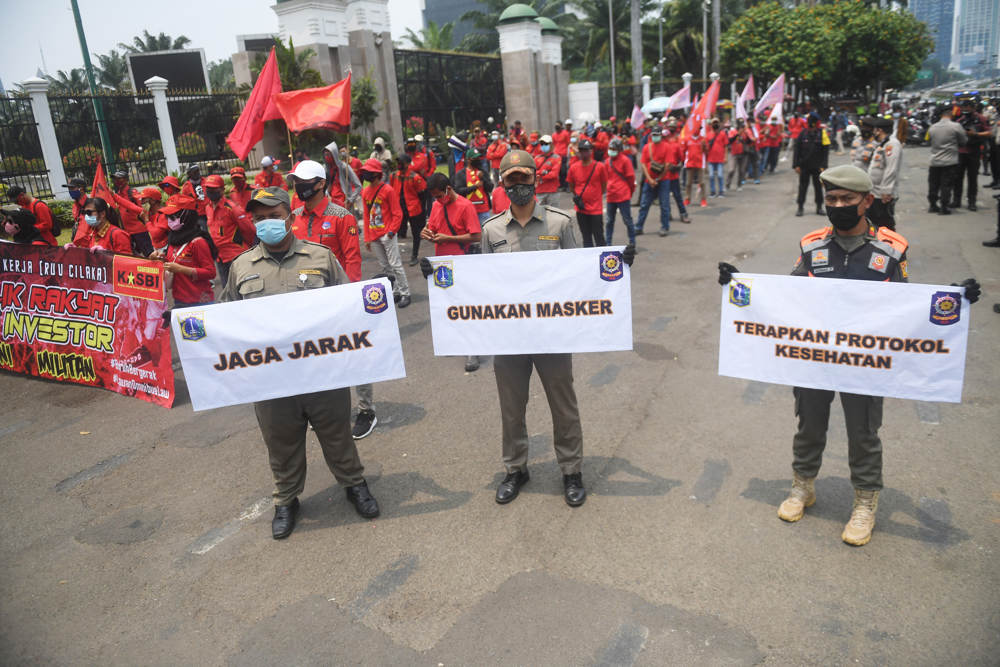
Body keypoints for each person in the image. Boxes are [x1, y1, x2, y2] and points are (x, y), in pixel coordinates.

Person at [718, 165, 981, 546]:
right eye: (832, 199)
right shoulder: (812, 246)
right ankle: (802, 486)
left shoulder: (891, 248)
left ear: (867, 201)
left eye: (847, 199)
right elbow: (787, 297)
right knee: (809, 425)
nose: (838, 205)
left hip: (865, 364)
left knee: (863, 433)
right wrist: (739, 285)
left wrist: (955, 301)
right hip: (815, 359)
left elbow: (908, 306)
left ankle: (865, 502)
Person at [441, 149, 633, 507]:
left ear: (535, 179)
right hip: (509, 339)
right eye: (511, 180)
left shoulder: (560, 224)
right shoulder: (491, 230)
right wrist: (441, 280)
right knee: (512, 407)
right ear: (502, 183)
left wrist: (617, 265)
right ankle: (516, 469)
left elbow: (582, 274)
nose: (518, 186)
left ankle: (571, 470)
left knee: (564, 406)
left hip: (552, 335)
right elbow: (480, 283)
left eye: (524, 178)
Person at [220, 186, 380, 539]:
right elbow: (224, 318)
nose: (267, 224)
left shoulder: (320, 257)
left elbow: (350, 305)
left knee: (337, 434)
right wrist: (187, 325)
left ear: (290, 218)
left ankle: (355, 484)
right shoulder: (241, 266)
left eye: (274, 216)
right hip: (271, 380)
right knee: (280, 442)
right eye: (259, 219)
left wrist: (377, 297)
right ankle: (286, 500)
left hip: (322, 374)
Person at [420, 172, 483, 372]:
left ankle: (473, 349)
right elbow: (433, 227)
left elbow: (476, 236)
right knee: (449, 303)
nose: (437, 200)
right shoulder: (438, 205)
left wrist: (449, 238)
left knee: (466, 304)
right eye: (434, 197)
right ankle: (458, 341)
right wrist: (427, 233)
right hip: (442, 263)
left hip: (463, 261)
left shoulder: (466, 206)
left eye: (439, 196)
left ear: (448, 189)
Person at [288, 159, 362, 282]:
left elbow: (352, 259)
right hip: (301, 287)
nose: (298, 185)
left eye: (304, 181)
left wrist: (350, 290)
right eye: (296, 181)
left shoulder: (342, 216)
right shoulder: (293, 217)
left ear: (321, 183)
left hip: (333, 287)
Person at [360, 157, 410, 308]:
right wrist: (367, 238)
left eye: (368, 172)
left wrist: (391, 233)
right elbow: (366, 215)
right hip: (374, 236)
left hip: (387, 234)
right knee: (385, 266)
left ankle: (405, 293)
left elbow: (397, 213)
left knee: (396, 265)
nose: (365, 174)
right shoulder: (365, 192)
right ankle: (394, 291)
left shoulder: (388, 190)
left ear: (376, 174)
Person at [152, 194, 217, 307]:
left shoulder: (198, 242)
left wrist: (181, 269)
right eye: (167, 217)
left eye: (173, 217)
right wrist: (160, 258)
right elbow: (173, 260)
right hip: (179, 300)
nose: (169, 220)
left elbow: (211, 272)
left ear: (187, 216)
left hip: (199, 302)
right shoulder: (173, 239)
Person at [204, 174, 256, 287]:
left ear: (222, 189)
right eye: (208, 188)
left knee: (243, 288)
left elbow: (249, 231)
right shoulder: (208, 208)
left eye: (214, 188)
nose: (210, 191)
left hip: (236, 256)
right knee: (227, 291)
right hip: (220, 258)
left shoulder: (232, 208)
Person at [566, 139, 607, 247]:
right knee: (586, 237)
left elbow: (604, 186)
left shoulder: (600, 167)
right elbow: (571, 185)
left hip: (596, 209)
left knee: (599, 237)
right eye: (582, 150)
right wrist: (579, 195)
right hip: (581, 208)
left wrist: (595, 195)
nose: (584, 153)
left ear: (591, 151)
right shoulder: (574, 167)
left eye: (586, 150)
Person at [927, 106, 967, 215]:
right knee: (946, 184)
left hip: (935, 160)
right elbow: (963, 141)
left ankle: (933, 205)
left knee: (933, 184)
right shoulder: (955, 126)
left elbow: (929, 140)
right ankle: (944, 207)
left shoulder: (933, 127)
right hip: (950, 161)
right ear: (950, 113)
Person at [952, 98, 990, 211]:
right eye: (963, 107)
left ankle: (972, 202)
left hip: (974, 152)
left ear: (973, 108)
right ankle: (956, 200)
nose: (964, 110)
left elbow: (989, 132)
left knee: (972, 179)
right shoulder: (960, 120)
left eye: (967, 107)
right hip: (961, 152)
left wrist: (975, 134)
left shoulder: (981, 118)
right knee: (957, 178)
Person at [866, 117, 903, 230]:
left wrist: (886, 191)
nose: (873, 132)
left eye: (874, 130)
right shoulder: (883, 144)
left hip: (882, 194)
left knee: (885, 225)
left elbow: (891, 168)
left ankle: (889, 246)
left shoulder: (892, 144)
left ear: (879, 130)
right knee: (873, 223)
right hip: (874, 192)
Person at [391, 154, 427, 265]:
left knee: (416, 234)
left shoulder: (415, 177)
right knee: (394, 232)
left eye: (401, 163)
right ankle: (394, 257)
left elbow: (422, 195)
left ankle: (414, 256)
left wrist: (421, 212)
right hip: (399, 209)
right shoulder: (393, 176)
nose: (399, 165)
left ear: (407, 164)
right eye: (398, 163)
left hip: (413, 209)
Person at [793, 112, 829, 216]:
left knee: (818, 187)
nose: (811, 128)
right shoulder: (802, 133)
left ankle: (819, 207)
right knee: (802, 187)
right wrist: (796, 165)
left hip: (817, 167)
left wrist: (824, 165)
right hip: (804, 166)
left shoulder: (823, 133)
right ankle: (800, 207)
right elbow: (797, 150)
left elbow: (825, 152)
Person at [604, 138, 636, 245]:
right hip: (611, 196)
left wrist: (629, 192)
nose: (611, 151)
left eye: (613, 149)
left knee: (627, 220)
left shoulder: (625, 160)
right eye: (610, 148)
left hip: (623, 195)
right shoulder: (607, 161)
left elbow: (631, 179)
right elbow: (605, 178)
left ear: (619, 150)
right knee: (609, 221)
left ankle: (632, 243)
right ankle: (608, 244)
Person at [453, 148, 494, 224]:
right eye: (475, 158)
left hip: (483, 210)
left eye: (479, 158)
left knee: (485, 233)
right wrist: (474, 187)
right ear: (468, 160)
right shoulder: (461, 174)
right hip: (468, 211)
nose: (478, 160)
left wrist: (483, 178)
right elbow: (458, 191)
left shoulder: (482, 172)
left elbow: (490, 188)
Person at [533, 135, 561, 206]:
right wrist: (543, 172)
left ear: (551, 145)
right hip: (539, 191)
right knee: (539, 214)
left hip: (552, 191)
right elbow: (532, 172)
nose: (543, 146)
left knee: (554, 214)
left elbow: (554, 174)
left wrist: (540, 176)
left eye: (546, 144)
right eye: (542, 144)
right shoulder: (536, 158)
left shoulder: (557, 158)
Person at [683, 127, 707, 208]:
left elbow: (706, 151)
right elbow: (684, 150)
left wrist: (704, 146)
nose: (697, 130)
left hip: (700, 163)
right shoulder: (687, 139)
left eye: (699, 128)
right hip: (690, 163)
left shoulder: (703, 139)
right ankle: (687, 198)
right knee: (688, 183)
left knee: (702, 182)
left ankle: (703, 199)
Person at [705, 118, 729, 198]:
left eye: (716, 123)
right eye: (714, 123)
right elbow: (706, 148)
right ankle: (712, 192)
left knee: (720, 175)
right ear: (711, 125)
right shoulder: (708, 135)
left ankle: (721, 191)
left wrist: (726, 157)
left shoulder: (722, 134)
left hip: (720, 159)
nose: (715, 124)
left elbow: (726, 146)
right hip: (711, 159)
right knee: (711, 176)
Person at [140, 187, 169, 251]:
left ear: (153, 200)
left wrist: (146, 221)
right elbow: (131, 207)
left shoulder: (162, 214)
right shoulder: (150, 212)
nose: (141, 202)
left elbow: (155, 234)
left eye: (144, 199)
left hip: (164, 247)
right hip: (156, 246)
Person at [726, 119, 748, 191]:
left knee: (741, 170)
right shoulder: (732, 131)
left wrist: (745, 136)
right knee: (731, 170)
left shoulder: (745, 132)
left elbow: (748, 141)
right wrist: (737, 134)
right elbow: (730, 140)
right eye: (740, 125)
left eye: (742, 125)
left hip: (742, 153)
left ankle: (739, 185)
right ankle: (727, 184)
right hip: (733, 153)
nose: (741, 127)